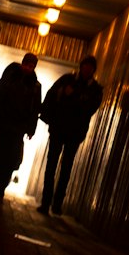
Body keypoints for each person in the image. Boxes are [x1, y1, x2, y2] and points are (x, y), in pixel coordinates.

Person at [39, 54, 102, 215]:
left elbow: (90, 109)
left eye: (90, 68)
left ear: (93, 70)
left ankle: (57, 203)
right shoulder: (68, 79)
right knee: (52, 165)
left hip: (74, 132)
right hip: (59, 128)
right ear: (81, 67)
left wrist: (71, 96)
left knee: (66, 167)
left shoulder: (95, 89)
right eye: (85, 66)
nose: (87, 70)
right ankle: (46, 202)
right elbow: (52, 94)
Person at [0, 53, 41, 196]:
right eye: (27, 65)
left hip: (15, 129)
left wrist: (31, 128)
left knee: (8, 160)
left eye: (31, 66)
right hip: (1, 124)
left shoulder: (34, 86)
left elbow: (35, 109)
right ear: (22, 63)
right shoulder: (10, 77)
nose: (28, 68)